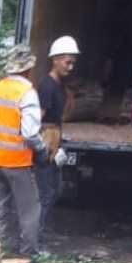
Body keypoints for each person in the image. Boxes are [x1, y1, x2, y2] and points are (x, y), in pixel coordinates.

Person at [0, 45, 66, 258]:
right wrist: (42, 151)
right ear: (29, 69)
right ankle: (29, 255)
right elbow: (29, 133)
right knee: (30, 211)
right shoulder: (26, 93)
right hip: (16, 162)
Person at [36, 35, 79, 247]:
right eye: (67, 62)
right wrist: (44, 146)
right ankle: (35, 240)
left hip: (53, 142)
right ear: (55, 60)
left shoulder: (59, 86)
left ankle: (39, 234)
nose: (70, 67)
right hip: (46, 144)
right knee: (45, 193)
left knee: (53, 191)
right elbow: (39, 119)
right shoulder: (46, 86)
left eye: (72, 63)